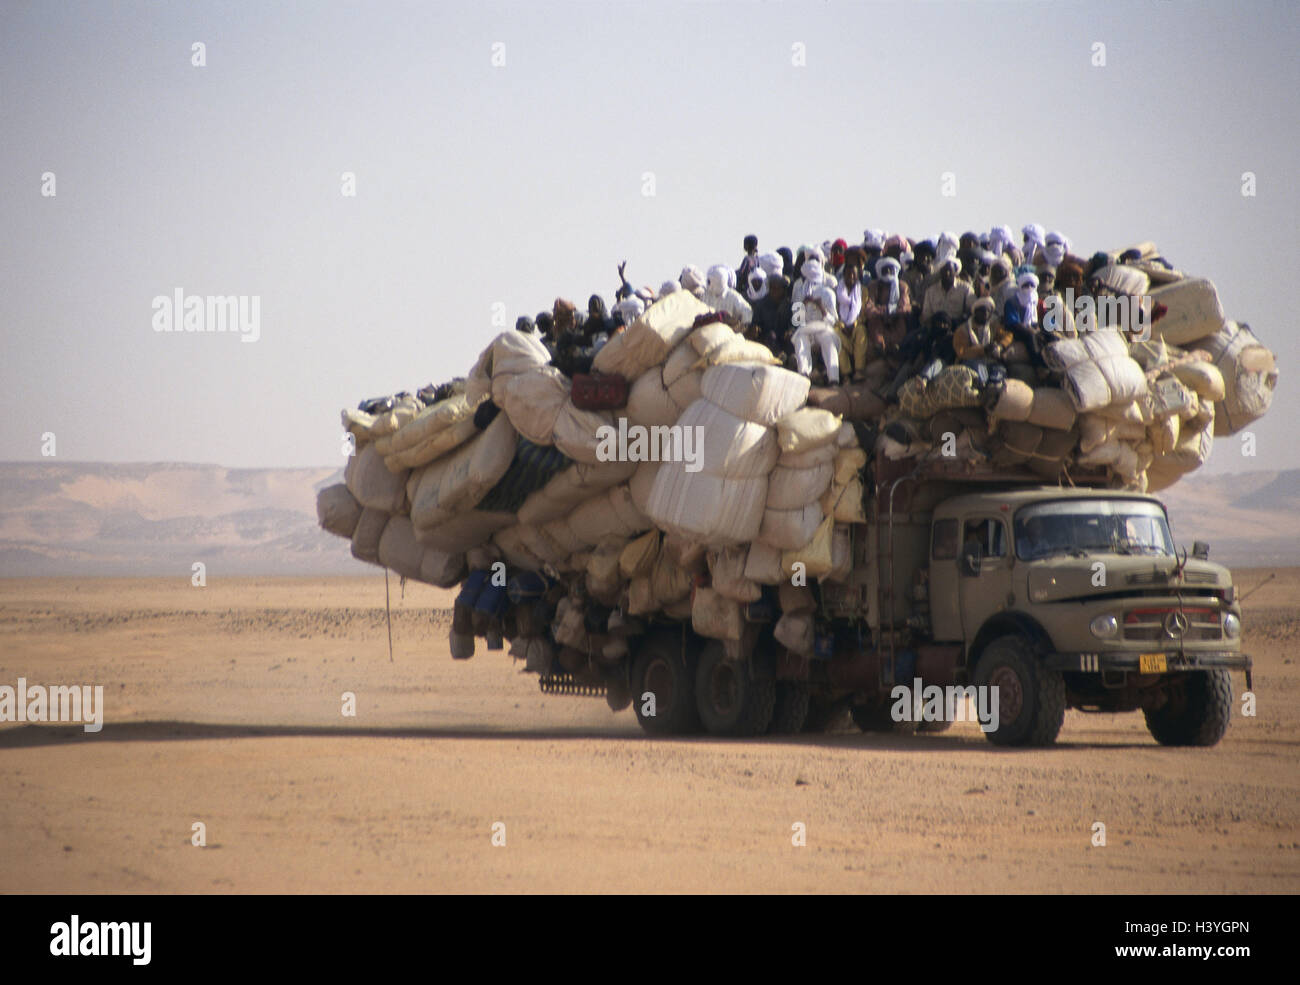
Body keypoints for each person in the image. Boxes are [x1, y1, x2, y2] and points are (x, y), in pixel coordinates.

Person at [922, 255, 974, 325]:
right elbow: (926, 315)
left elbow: (972, 310)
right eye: (944, 271)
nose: (947, 273)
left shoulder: (966, 289)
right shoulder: (930, 291)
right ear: (940, 272)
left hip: (957, 327)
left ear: (955, 272)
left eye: (950, 271)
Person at [751, 273, 793, 357]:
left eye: (777, 288)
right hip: (768, 339)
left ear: (783, 290)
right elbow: (755, 323)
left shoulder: (792, 304)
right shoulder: (760, 304)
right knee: (771, 336)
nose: (774, 291)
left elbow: (798, 324)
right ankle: (779, 357)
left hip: (785, 338)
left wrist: (791, 330)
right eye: (772, 288)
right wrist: (755, 328)